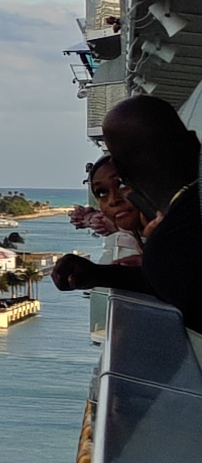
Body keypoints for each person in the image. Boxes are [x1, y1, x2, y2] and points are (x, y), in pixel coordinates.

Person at [53, 95, 202, 311]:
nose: (114, 200)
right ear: (193, 139)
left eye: (119, 184)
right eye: (102, 192)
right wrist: (100, 274)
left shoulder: (169, 247)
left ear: (123, 173)